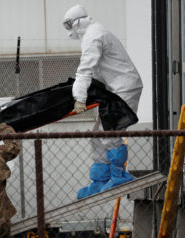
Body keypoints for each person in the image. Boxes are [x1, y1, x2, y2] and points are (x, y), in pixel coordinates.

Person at [62, 4, 143, 199]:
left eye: (70, 26)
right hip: (114, 88)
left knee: (110, 131)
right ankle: (100, 179)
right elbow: (96, 71)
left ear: (78, 22)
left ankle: (117, 175)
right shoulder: (92, 33)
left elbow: (86, 69)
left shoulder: (94, 35)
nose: (70, 31)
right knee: (97, 135)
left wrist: (80, 97)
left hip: (124, 87)